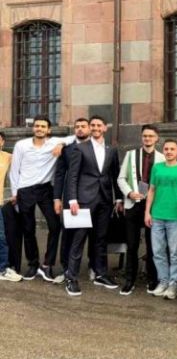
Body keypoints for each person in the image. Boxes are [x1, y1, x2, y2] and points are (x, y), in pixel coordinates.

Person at [9, 115, 71, 281]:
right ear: (33, 128)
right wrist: (15, 192)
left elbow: (73, 138)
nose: (39, 129)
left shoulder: (54, 142)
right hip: (24, 189)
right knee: (28, 229)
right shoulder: (21, 145)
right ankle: (33, 264)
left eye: (43, 126)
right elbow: (14, 170)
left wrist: (61, 144)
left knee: (55, 226)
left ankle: (47, 265)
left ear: (48, 130)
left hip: (45, 189)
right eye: (37, 126)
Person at [66, 115, 123, 296]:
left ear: (105, 128)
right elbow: (73, 175)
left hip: (105, 200)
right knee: (79, 239)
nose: (96, 128)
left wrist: (119, 198)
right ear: (89, 128)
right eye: (93, 125)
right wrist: (72, 200)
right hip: (83, 201)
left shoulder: (111, 150)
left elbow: (115, 175)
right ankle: (71, 278)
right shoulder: (80, 148)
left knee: (100, 239)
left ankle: (101, 274)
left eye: (99, 125)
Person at [117, 124, 165, 295]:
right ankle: (129, 280)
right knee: (132, 245)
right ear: (141, 137)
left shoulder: (162, 158)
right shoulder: (130, 155)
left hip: (152, 206)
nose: (147, 139)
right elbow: (121, 178)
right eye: (145, 136)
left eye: (151, 136)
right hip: (133, 204)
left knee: (153, 246)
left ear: (156, 138)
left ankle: (152, 279)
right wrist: (129, 193)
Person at [144, 139, 177, 300]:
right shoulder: (157, 167)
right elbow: (151, 190)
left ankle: (174, 284)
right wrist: (147, 212)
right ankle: (163, 281)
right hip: (157, 215)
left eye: (172, 149)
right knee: (158, 252)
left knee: (175, 253)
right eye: (166, 149)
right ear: (163, 151)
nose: (169, 151)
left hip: (176, 216)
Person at [53, 118, 94, 284]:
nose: (80, 129)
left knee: (93, 235)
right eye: (77, 127)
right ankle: (66, 269)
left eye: (83, 126)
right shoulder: (67, 149)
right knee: (68, 234)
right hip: (71, 198)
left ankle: (93, 267)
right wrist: (57, 198)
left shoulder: (96, 148)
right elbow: (59, 174)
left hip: (92, 198)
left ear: (89, 129)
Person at [0, 132, 22, 282]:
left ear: (2, 142)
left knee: (1, 237)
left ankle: (2, 268)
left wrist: (17, 192)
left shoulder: (7, 157)